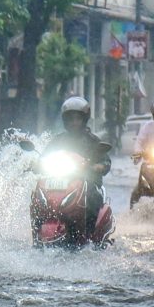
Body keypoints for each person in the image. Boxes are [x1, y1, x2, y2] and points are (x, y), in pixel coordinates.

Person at [39, 96, 111, 238]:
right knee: (38, 191)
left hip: (86, 181)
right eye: (70, 119)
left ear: (84, 119)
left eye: (77, 119)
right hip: (60, 181)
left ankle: (89, 235)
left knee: (91, 196)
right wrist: (36, 164)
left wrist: (99, 166)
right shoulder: (58, 140)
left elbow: (105, 161)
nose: (74, 122)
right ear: (65, 121)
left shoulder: (93, 140)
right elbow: (43, 157)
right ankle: (37, 231)